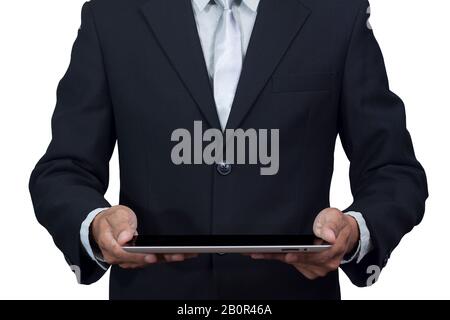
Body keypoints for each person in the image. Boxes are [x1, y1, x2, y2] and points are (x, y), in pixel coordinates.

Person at [29, 0, 428, 300]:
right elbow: (64, 170)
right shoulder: (112, 16)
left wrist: (355, 230)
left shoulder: (337, 14)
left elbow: (392, 170)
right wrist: (96, 224)